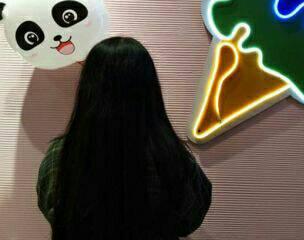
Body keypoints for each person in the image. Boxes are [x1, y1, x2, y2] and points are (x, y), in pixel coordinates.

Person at [36, 36, 212, 240]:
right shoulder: (169, 153)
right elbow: (191, 217)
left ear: (88, 87)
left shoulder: (61, 154)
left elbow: (54, 212)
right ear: (149, 87)